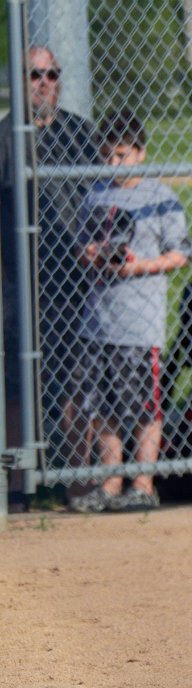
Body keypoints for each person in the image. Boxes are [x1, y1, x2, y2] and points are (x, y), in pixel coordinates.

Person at [67, 110, 191, 513]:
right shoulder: (95, 194)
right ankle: (110, 482)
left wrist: (138, 266)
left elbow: (180, 254)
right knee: (100, 408)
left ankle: (142, 484)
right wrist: (93, 253)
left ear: (140, 153)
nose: (113, 163)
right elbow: (80, 248)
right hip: (98, 321)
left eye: (121, 155)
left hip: (140, 323)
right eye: (107, 155)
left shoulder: (160, 198)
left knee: (141, 408)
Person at [0, 45, 104, 469]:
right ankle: (16, 482)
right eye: (34, 75)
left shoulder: (80, 134)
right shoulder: (5, 138)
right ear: (19, 82)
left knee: (78, 385)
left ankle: (77, 480)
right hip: (20, 287)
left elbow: (105, 203)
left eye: (52, 74)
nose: (44, 83)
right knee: (17, 388)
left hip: (77, 284)